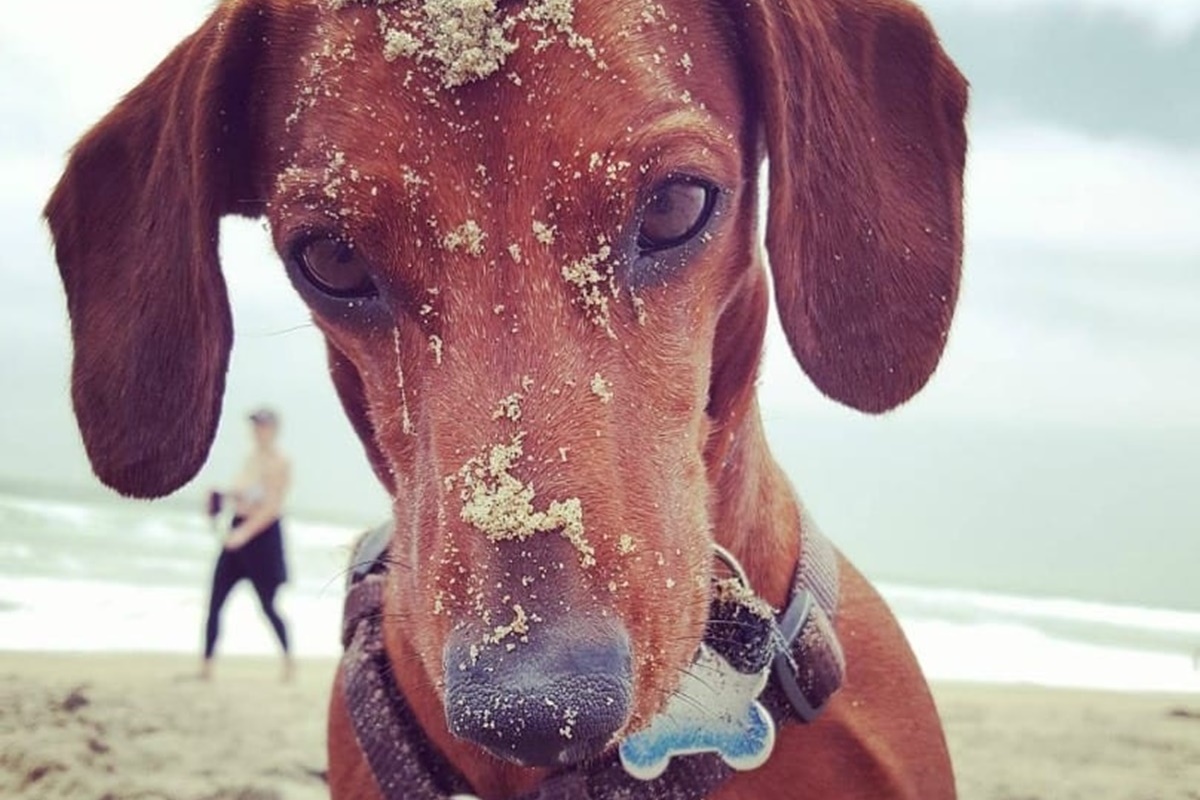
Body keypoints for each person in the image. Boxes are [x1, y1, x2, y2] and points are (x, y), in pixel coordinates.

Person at [201, 407, 293, 681]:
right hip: (236, 530)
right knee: (216, 601)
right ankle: (206, 667)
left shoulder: (280, 462)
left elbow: (271, 507)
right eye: (254, 425)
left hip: (262, 540)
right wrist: (220, 498)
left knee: (267, 605)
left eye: (262, 425)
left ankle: (288, 662)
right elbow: (244, 496)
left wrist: (243, 536)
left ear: (274, 429)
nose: (257, 431)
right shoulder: (250, 459)